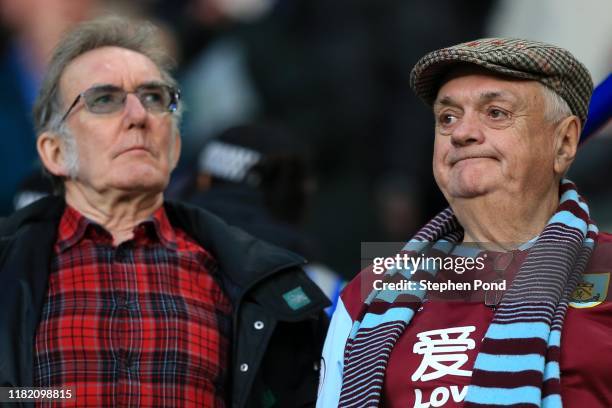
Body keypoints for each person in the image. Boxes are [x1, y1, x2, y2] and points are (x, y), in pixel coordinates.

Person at [0, 16, 329, 407]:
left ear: (174, 147)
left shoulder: (264, 288)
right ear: (54, 152)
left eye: (156, 98)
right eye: (104, 100)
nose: (139, 116)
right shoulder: (9, 269)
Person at [317, 38, 612, 407]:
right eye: (448, 117)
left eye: (496, 113)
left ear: (565, 142)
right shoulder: (369, 293)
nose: (461, 133)